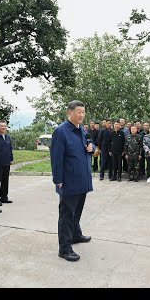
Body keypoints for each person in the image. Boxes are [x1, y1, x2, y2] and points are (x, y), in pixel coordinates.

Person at [50, 101, 93, 262]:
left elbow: (89, 144)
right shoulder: (61, 131)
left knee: (77, 211)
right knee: (67, 214)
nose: (81, 115)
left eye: (83, 112)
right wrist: (58, 179)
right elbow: (56, 157)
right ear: (70, 112)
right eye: (78, 112)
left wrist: (91, 147)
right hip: (68, 181)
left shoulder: (81, 129)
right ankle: (65, 248)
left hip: (82, 180)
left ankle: (75, 235)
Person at [0, 120, 14, 206]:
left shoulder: (8, 137)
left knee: (5, 181)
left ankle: (4, 197)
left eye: (5, 126)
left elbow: (10, 149)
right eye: (2, 126)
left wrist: (11, 159)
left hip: (6, 163)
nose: (4, 128)